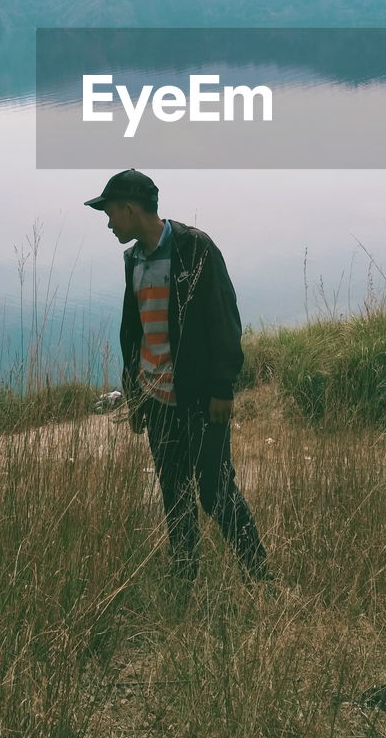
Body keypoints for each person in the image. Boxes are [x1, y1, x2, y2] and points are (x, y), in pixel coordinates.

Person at [85, 168, 271, 592]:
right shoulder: (132, 259)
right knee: (175, 494)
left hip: (200, 399)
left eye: (111, 213)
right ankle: (185, 578)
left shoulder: (195, 248)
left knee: (216, 492)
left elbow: (225, 319)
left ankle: (261, 578)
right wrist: (135, 396)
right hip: (156, 402)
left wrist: (223, 388)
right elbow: (133, 331)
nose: (109, 222)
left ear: (131, 210)